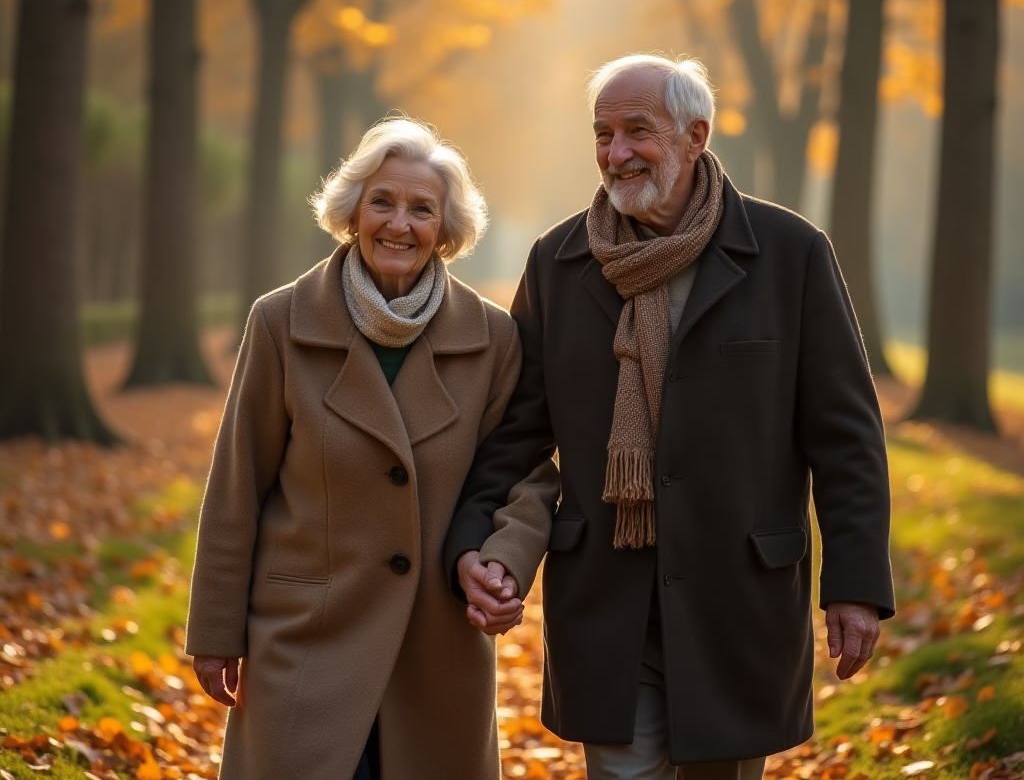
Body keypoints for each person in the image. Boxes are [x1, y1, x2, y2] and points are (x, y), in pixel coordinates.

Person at [445, 54, 895, 780]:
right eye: (601, 134)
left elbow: (845, 437)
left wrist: (856, 583)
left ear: (696, 136)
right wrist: (477, 545)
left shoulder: (790, 254)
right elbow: (516, 434)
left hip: (737, 596)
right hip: (606, 594)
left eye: (636, 131)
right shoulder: (558, 263)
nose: (615, 154)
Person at [185, 118, 558, 780]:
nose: (399, 223)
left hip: (437, 646)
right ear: (352, 210)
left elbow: (525, 476)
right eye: (383, 201)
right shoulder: (280, 322)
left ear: (446, 230)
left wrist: (505, 558)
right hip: (304, 640)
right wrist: (216, 633)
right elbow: (237, 487)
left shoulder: (493, 339)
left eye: (422, 208)